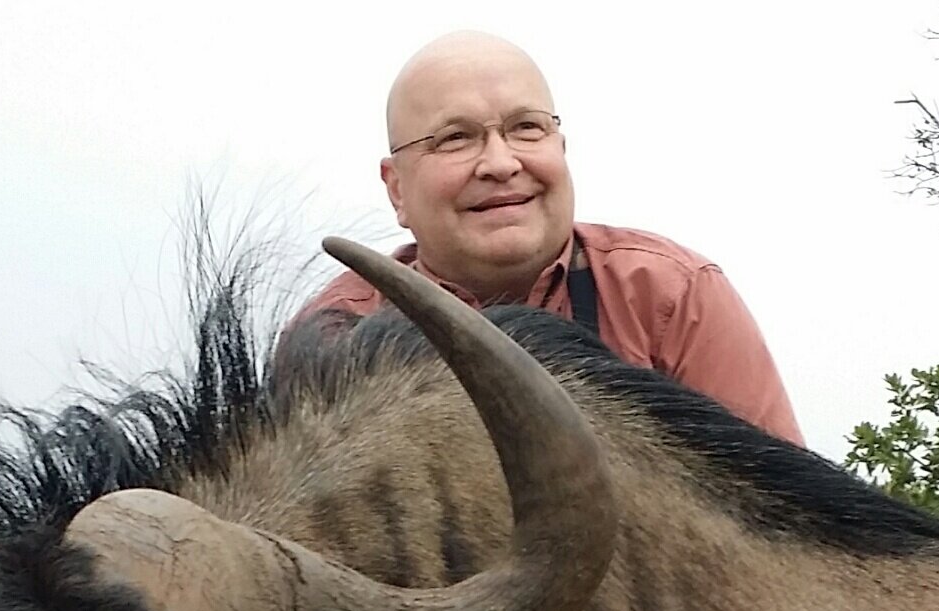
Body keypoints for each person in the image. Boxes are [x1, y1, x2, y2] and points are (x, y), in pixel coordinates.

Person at [290, 30, 805, 445]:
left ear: (561, 147)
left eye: (526, 128)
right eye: (455, 138)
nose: (500, 163)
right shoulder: (334, 339)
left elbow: (788, 533)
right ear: (396, 188)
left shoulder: (674, 296)